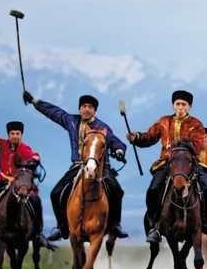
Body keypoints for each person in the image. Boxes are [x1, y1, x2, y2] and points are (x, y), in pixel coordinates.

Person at [22, 91, 128, 241]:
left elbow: (114, 141)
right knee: (55, 193)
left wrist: (119, 150)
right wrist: (34, 102)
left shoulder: (101, 127)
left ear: (94, 110)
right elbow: (53, 112)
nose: (86, 109)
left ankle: (115, 225)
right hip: (78, 166)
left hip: (100, 168)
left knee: (117, 191)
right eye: (84, 106)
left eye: (90, 107)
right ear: (79, 109)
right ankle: (62, 227)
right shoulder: (71, 121)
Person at [126, 90, 207, 244]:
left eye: (183, 104)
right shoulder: (163, 122)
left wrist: (181, 146)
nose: (180, 107)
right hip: (167, 163)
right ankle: (155, 226)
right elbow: (149, 137)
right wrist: (136, 137)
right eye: (177, 104)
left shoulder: (196, 124)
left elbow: (198, 145)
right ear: (173, 105)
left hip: (189, 164)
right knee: (153, 190)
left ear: (189, 107)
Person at [0, 116, 50, 248]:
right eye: (12, 134)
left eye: (18, 134)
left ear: (21, 135)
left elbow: (32, 154)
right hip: (3, 183)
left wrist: (35, 157)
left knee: (36, 203)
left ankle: (38, 234)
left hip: (21, 185)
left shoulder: (24, 149)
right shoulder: (2, 144)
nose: (15, 136)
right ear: (8, 135)